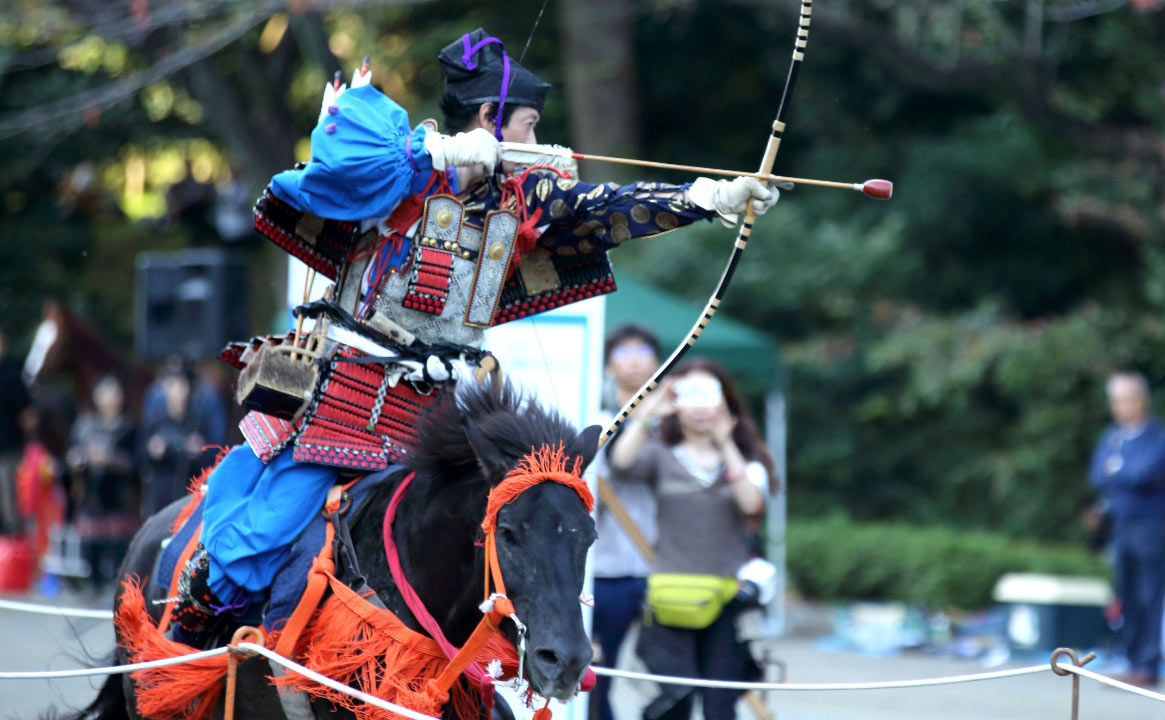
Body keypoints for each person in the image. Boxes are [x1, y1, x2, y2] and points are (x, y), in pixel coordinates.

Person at [168, 27, 783, 647]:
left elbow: (603, 208)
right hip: (349, 400)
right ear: (491, 116)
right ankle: (206, 621)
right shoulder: (399, 165)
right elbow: (319, 175)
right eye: (529, 125)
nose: (536, 143)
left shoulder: (520, 195)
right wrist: (432, 155)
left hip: (437, 418)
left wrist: (707, 197)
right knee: (269, 526)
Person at [609, 358, 775, 720]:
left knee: (721, 704)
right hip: (671, 596)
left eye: (709, 394)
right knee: (673, 700)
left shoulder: (747, 461)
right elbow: (620, 462)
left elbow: (751, 505)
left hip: (728, 598)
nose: (700, 407)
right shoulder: (659, 454)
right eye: (690, 393)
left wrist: (726, 444)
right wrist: (651, 412)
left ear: (726, 401)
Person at [591, 324, 661, 720]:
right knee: (599, 674)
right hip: (604, 569)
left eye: (643, 351)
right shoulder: (595, 417)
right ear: (606, 365)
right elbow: (620, 458)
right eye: (623, 352)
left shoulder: (676, 424)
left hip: (659, 568)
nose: (634, 361)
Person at [1089, 371, 1165, 688]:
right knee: (1125, 593)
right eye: (1117, 400)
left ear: (1142, 400)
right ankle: (1130, 659)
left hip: (1152, 526)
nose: (1123, 406)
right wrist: (1124, 474)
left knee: (1150, 594)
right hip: (1121, 526)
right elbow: (1099, 475)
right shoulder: (1111, 437)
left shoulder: (1161, 437)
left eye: (1128, 398)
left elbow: (1145, 472)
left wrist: (1119, 471)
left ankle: (1148, 666)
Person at [67, 375, 138, 593]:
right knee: (91, 548)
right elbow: (71, 456)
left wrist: (110, 458)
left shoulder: (129, 428)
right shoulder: (85, 426)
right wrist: (80, 458)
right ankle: (93, 585)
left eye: (113, 393)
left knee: (118, 549)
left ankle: (116, 590)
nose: (108, 399)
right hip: (91, 494)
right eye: (104, 393)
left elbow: (136, 463)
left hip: (117, 496)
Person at [140, 367, 204, 517]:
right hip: (160, 499)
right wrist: (153, 450)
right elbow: (140, 456)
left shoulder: (198, 420)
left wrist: (198, 449)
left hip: (190, 496)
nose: (178, 392)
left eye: (182, 386)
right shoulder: (155, 421)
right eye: (173, 386)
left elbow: (213, 454)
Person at [0, 329, 31, 536]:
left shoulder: (11, 376)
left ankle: (15, 553)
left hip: (8, 452)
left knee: (10, 507)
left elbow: (28, 417)